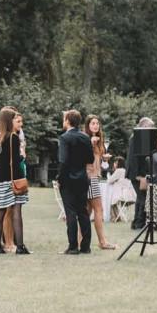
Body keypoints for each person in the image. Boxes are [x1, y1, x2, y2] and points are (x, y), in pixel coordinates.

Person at [0, 107, 30, 255]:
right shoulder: (13, 138)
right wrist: (22, 155)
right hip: (14, 180)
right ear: (9, 120)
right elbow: (16, 161)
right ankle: (20, 246)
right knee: (16, 212)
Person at [58, 109, 93, 254]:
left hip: (68, 179)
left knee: (70, 213)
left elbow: (63, 161)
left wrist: (60, 178)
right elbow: (90, 159)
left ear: (67, 121)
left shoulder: (64, 138)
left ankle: (73, 246)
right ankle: (85, 246)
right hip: (82, 178)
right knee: (83, 212)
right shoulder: (85, 137)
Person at [85, 115, 117, 249]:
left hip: (95, 176)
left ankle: (80, 241)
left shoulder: (99, 142)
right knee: (99, 209)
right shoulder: (86, 139)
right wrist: (90, 144)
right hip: (89, 177)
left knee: (87, 211)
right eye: (93, 123)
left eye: (97, 123)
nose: (96, 126)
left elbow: (101, 165)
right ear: (87, 126)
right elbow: (84, 158)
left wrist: (104, 159)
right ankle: (102, 242)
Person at [125, 118, 155, 229]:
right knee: (143, 198)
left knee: (140, 197)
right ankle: (139, 223)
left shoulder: (137, 138)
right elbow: (134, 159)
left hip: (137, 172)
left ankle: (136, 222)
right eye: (150, 127)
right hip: (137, 173)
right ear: (144, 126)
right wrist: (138, 175)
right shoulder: (136, 138)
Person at [107, 157, 136, 222]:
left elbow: (109, 181)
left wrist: (114, 179)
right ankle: (118, 217)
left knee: (111, 200)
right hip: (129, 194)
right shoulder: (125, 170)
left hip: (120, 195)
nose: (114, 164)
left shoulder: (118, 171)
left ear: (119, 163)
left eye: (115, 163)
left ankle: (115, 217)